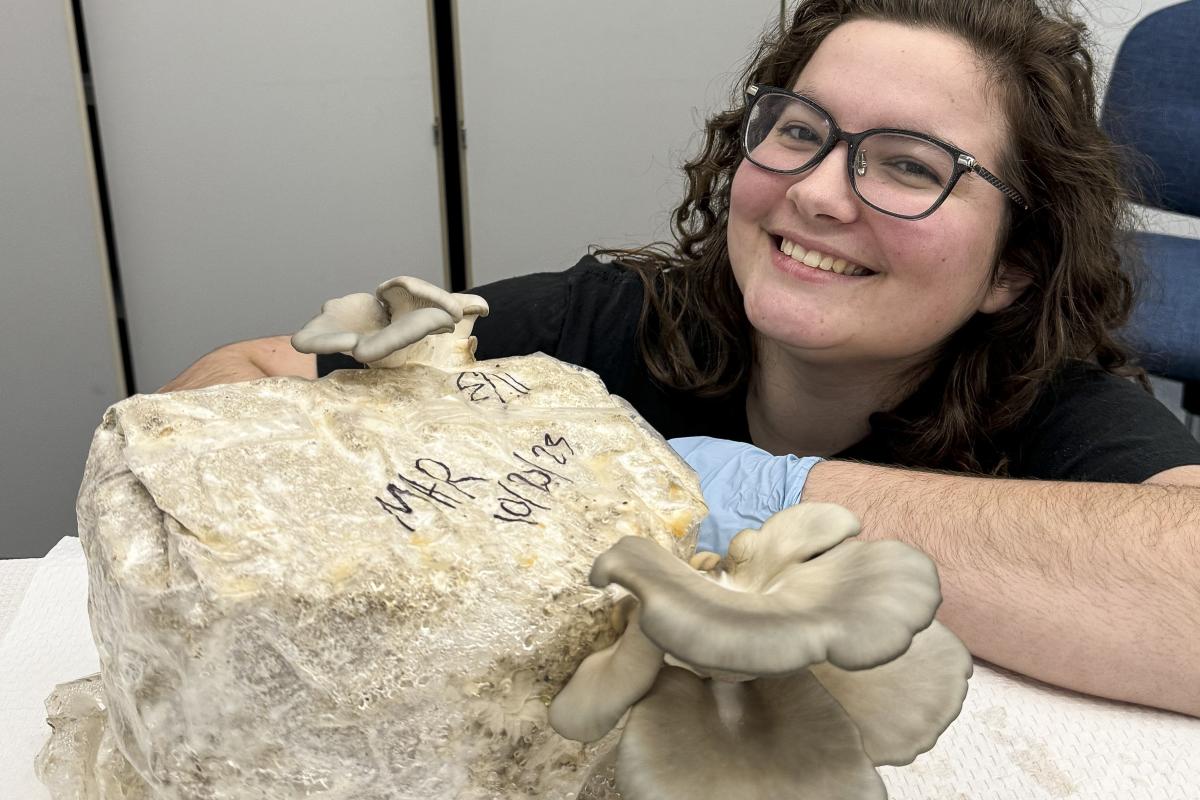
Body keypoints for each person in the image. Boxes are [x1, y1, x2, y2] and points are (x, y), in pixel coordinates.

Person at [161, 0, 1200, 718]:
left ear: (1013, 265)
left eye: (910, 166)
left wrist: (760, 493)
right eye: (800, 130)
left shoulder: (1059, 406)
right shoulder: (611, 323)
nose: (822, 193)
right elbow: (212, 400)